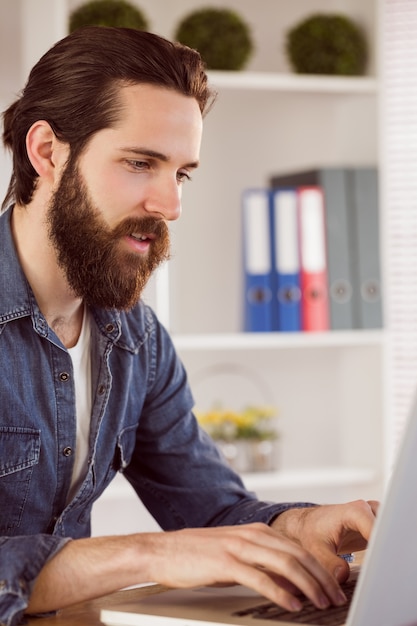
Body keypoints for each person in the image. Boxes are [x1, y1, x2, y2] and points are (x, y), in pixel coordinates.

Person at [0, 26, 377, 626]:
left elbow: (210, 511)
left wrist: (297, 525)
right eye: (140, 163)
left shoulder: (136, 341)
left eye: (181, 174)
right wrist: (149, 554)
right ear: (46, 152)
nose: (170, 205)